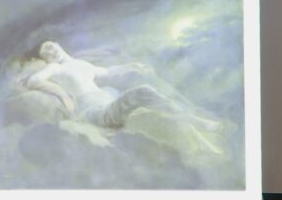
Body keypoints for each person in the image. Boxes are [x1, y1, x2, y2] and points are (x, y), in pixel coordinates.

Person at [22, 40, 222, 150]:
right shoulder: (55, 68)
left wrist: (131, 66)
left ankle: (201, 137)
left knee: (156, 105)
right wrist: (61, 93)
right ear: (46, 60)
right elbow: (33, 81)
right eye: (46, 53)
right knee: (144, 91)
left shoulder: (81, 64)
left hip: (107, 103)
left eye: (50, 46)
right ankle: (197, 122)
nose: (50, 52)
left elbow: (108, 72)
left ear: (58, 44)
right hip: (95, 112)